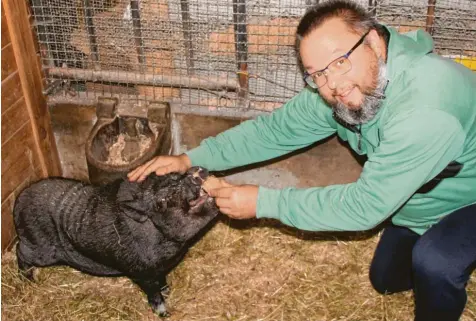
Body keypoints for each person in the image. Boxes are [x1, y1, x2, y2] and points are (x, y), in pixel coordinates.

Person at [128, 1, 476, 320]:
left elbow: (365, 206)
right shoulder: (346, 89)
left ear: (374, 42)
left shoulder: (425, 108)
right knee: (385, 280)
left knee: (434, 263)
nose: (333, 84)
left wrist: (264, 201)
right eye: (318, 74)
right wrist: (189, 158)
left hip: (470, 200)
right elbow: (273, 132)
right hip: (424, 201)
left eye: (341, 61)